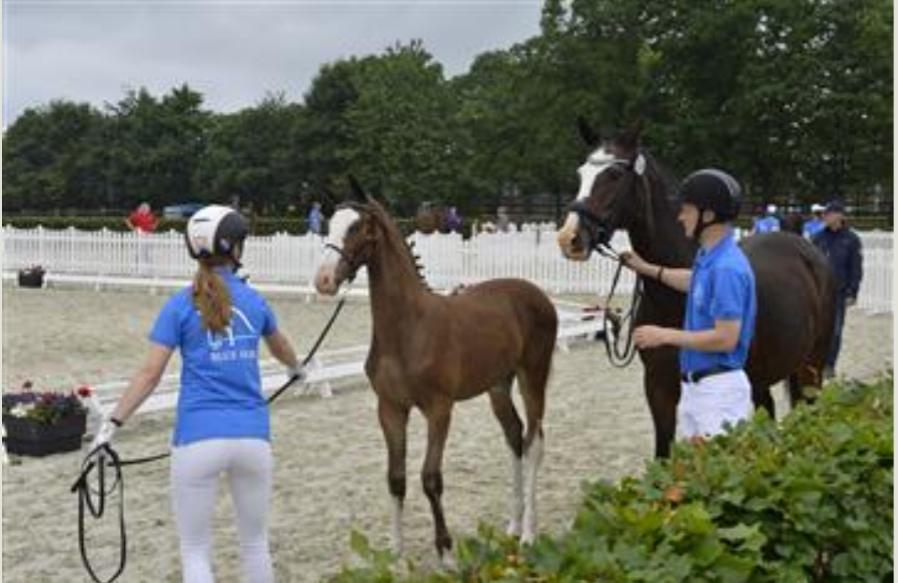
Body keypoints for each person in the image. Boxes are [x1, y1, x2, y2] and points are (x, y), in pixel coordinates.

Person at [87, 205, 304, 583]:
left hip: (197, 437)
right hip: (252, 437)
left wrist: (113, 423)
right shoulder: (254, 301)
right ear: (235, 248)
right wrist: (296, 370)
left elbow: (149, 374)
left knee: (195, 550)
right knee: (255, 544)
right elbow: (282, 347)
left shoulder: (179, 304)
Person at [620, 169, 756, 440]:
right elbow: (694, 281)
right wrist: (647, 268)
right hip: (697, 388)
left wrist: (664, 335)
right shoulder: (710, 258)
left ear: (707, 216)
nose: (680, 217)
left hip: (717, 392)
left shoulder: (727, 268)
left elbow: (726, 338)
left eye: (686, 210)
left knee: (710, 478)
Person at [812, 200, 863, 378]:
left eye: (830, 213)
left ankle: (829, 365)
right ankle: (814, 362)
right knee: (816, 329)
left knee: (835, 330)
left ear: (840, 216)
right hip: (818, 291)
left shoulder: (851, 239)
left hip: (839, 293)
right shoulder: (817, 238)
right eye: (825, 213)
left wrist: (853, 291)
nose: (825, 216)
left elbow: (856, 268)